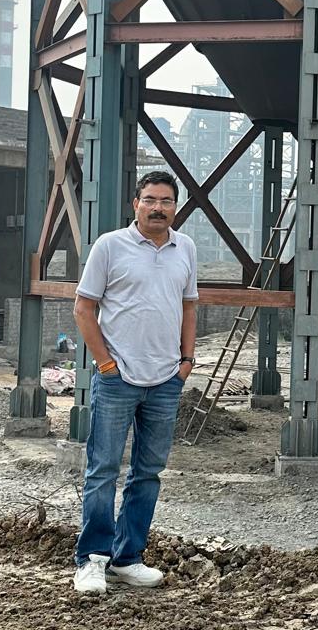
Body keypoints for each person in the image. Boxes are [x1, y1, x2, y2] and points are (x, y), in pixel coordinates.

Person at [71, 170, 198, 594]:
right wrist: (106, 365)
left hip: (165, 381)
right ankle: (92, 560)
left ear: (175, 206)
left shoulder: (186, 248)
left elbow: (189, 306)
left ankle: (127, 558)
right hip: (118, 379)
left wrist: (186, 362)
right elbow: (83, 308)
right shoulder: (110, 246)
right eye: (150, 200)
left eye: (166, 201)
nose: (158, 208)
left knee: (148, 473)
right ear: (136, 204)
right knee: (103, 470)